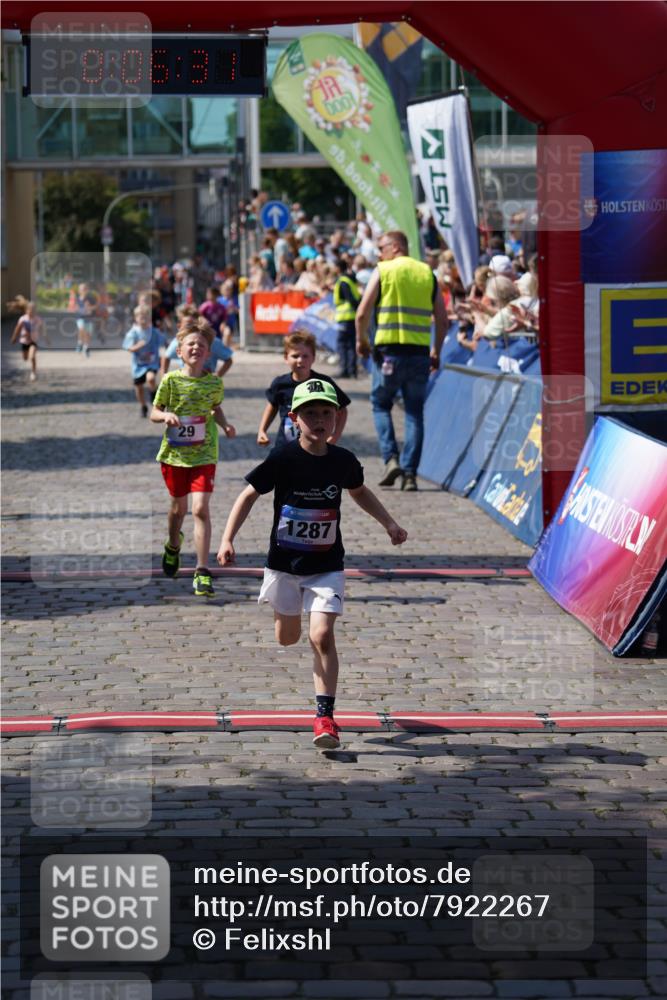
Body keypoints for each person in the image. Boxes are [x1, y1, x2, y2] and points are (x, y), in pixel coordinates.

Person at [217, 378, 408, 750]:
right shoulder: (283, 459)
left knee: (320, 635)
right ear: (294, 418)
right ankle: (284, 616)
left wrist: (389, 522)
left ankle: (325, 717)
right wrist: (228, 538)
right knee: (287, 637)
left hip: (327, 565)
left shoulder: (344, 461)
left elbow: (359, 492)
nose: (320, 419)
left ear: (337, 417)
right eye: (310, 413)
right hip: (285, 565)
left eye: (327, 412)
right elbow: (248, 495)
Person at [151, 317, 236, 597]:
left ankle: (202, 571)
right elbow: (154, 412)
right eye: (191, 344)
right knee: (178, 510)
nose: (196, 348)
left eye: (201, 344)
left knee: (199, 508)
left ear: (208, 352)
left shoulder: (213, 383)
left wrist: (224, 425)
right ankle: (173, 544)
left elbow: (216, 408)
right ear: (179, 351)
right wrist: (166, 415)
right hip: (175, 455)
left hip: (205, 453)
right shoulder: (170, 381)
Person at [355, 230, 446, 491]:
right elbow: (442, 319)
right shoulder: (427, 273)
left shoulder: (384, 270)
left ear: (395, 247)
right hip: (418, 354)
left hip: (389, 353)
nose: (378, 254)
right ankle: (409, 474)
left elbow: (362, 313)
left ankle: (391, 458)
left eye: (381, 248)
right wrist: (436, 351)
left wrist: (361, 341)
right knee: (415, 414)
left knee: (381, 404)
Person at [257, 331, 350, 451]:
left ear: (313, 358)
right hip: (285, 447)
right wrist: (262, 430)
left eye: (305, 356)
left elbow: (342, 410)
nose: (300, 360)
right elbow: (272, 406)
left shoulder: (324, 384)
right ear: (286, 357)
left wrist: (334, 436)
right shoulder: (280, 384)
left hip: (315, 448)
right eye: (295, 356)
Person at [122, 305, 165, 417]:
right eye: (141, 318)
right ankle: (143, 406)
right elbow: (129, 348)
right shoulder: (133, 333)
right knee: (139, 388)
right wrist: (138, 345)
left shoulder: (154, 332)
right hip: (138, 365)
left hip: (152, 363)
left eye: (146, 317)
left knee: (151, 378)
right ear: (136, 318)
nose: (144, 320)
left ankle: (152, 393)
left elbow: (164, 341)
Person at [332, 260, 361, 379]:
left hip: (345, 317)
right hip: (351, 317)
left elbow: (350, 299)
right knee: (350, 344)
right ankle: (352, 370)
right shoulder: (350, 280)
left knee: (343, 344)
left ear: (338, 268)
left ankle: (345, 369)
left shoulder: (343, 282)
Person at [10, 298, 44, 381]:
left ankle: (33, 373)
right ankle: (29, 358)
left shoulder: (37, 319)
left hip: (33, 341)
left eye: (33, 310)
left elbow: (42, 327)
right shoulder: (23, 319)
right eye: (30, 310)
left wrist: (45, 336)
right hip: (24, 341)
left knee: (32, 357)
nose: (31, 312)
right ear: (26, 310)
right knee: (25, 358)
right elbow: (17, 329)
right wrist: (14, 337)